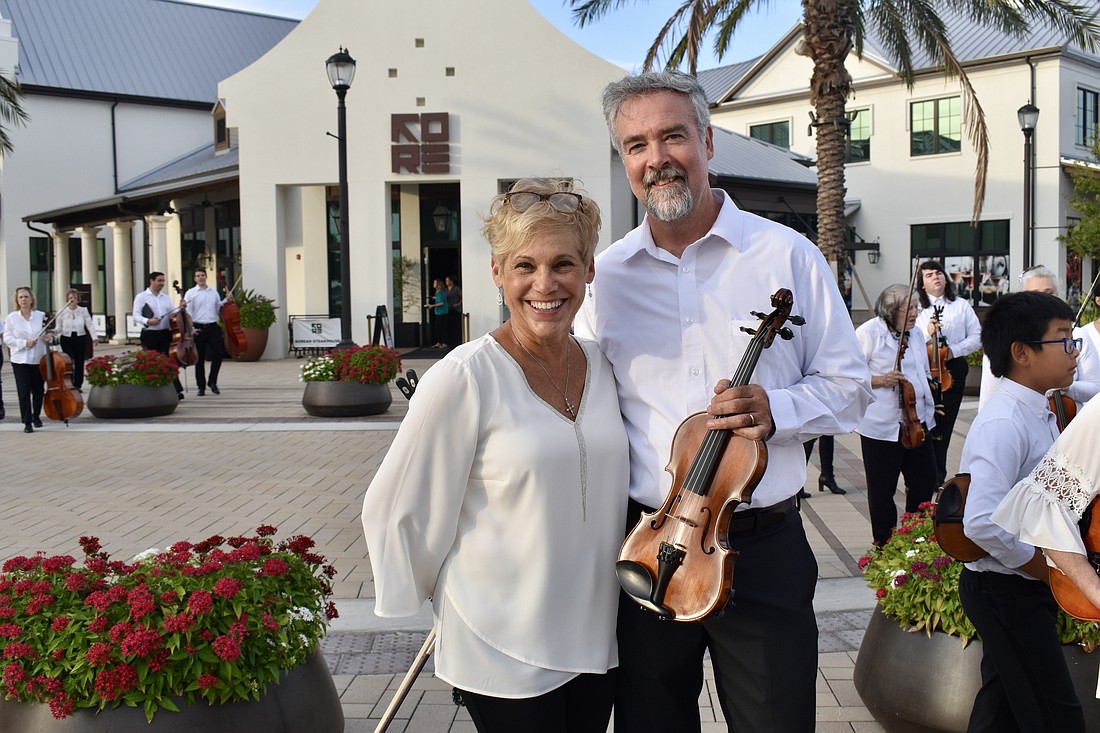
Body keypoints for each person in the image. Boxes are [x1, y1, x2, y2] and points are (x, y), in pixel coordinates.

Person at [574, 71, 873, 733]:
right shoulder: (607, 277)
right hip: (650, 551)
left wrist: (780, 410)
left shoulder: (787, 257)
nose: (657, 158)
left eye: (673, 136)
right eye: (636, 144)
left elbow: (852, 389)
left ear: (707, 141)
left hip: (761, 550)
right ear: (624, 159)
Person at [362, 179, 628, 733]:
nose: (545, 284)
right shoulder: (465, 376)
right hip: (501, 641)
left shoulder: (604, 366)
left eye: (564, 264)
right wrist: (446, 594)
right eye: (524, 266)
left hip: (595, 631)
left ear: (589, 271)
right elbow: (395, 504)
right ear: (497, 272)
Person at [956, 291, 1084, 732]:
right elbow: (981, 522)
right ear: (1022, 353)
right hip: (1005, 589)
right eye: (1064, 339)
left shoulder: (1042, 408)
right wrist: (1047, 571)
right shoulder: (1004, 421)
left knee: (1003, 708)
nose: (1074, 351)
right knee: (1055, 715)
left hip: (1017, 586)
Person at [854, 284, 939, 546]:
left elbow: (921, 373)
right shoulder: (869, 333)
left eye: (916, 307)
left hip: (916, 423)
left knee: (926, 481)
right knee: (882, 490)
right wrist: (880, 379)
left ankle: (915, 538)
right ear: (891, 311)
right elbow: (849, 375)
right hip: (882, 426)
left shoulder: (915, 335)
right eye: (909, 308)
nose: (915, 313)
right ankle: (885, 545)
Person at [978, 265, 1100, 411]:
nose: (1043, 300)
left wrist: (1065, 385)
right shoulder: (1006, 337)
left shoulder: (1079, 336)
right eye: (1035, 294)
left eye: (1049, 293)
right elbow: (990, 393)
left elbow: (1095, 387)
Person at [914, 259, 982, 484]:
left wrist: (953, 350)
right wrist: (928, 333)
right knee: (927, 421)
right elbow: (910, 339)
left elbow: (976, 337)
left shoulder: (961, 305)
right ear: (922, 283)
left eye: (939, 273)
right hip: (925, 370)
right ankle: (925, 473)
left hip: (952, 368)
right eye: (929, 275)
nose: (936, 277)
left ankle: (939, 475)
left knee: (947, 422)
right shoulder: (917, 308)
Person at [2, 287, 49, 433]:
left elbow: (52, 332)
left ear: (31, 299)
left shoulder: (41, 316)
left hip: (38, 359)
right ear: (17, 300)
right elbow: (7, 338)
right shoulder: (11, 318)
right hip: (20, 359)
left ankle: (36, 416)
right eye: (21, 297)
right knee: (23, 392)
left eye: (26, 297)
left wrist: (49, 337)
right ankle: (27, 422)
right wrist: (24, 343)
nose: (23, 300)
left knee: (38, 391)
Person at [132, 271, 185, 399]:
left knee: (168, 361)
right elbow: (136, 315)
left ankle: (174, 390)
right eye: (159, 280)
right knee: (150, 362)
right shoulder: (141, 297)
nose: (162, 283)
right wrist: (148, 321)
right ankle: (150, 389)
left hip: (165, 334)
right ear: (151, 281)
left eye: (163, 281)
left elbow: (171, 314)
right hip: (150, 334)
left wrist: (180, 308)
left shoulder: (165, 297)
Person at [183, 266, 227, 396]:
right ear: (194, 278)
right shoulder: (190, 293)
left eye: (202, 275)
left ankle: (212, 382)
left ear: (206, 276)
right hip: (198, 327)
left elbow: (218, 307)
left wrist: (226, 301)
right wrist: (191, 328)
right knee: (199, 358)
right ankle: (200, 386)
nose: (201, 277)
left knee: (219, 354)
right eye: (198, 276)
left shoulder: (213, 292)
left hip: (213, 326)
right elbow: (188, 312)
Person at [55, 288, 97, 391]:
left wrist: (94, 337)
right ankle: (69, 382)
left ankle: (77, 385)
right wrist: (52, 332)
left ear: (78, 299)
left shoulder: (83, 310)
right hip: (66, 338)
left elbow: (89, 324)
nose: (72, 300)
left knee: (79, 361)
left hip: (80, 338)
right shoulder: (62, 311)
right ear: (67, 300)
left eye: (75, 298)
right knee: (69, 361)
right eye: (70, 298)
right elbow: (59, 328)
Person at [426, 277, 449, 349]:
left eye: (435, 283)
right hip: (438, 313)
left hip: (442, 313)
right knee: (437, 328)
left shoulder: (440, 293)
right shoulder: (438, 293)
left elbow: (441, 302)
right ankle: (439, 342)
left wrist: (432, 306)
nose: (433, 284)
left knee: (442, 328)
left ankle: (444, 343)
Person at [445, 275, 463, 346]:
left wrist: (458, 304)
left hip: (456, 309)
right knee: (450, 325)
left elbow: (462, 296)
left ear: (451, 281)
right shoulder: (446, 290)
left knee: (456, 325)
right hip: (448, 309)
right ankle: (451, 341)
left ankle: (458, 341)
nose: (446, 282)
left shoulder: (456, 289)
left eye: (447, 280)